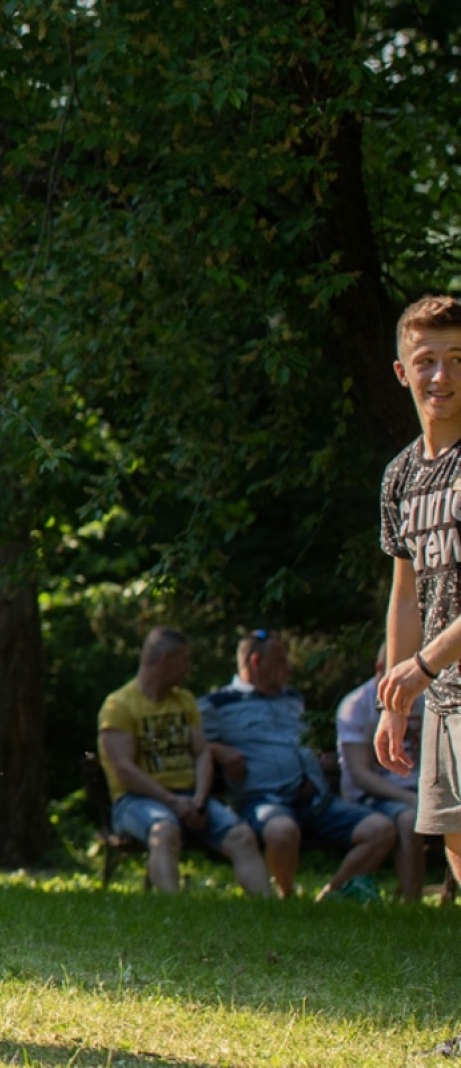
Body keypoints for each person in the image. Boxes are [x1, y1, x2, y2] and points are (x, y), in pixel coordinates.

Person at [199, 631, 396, 901]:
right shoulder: (217, 705)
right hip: (264, 801)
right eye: (280, 661)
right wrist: (217, 750)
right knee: (282, 831)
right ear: (255, 662)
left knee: (381, 830)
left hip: (317, 800)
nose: (288, 668)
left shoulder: (292, 697)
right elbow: (193, 747)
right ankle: (286, 895)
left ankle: (330, 895)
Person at [377, 294, 461, 906]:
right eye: (427, 360)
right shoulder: (400, 475)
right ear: (403, 372)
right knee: (456, 842)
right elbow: (405, 596)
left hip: (437, 671)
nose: (442, 375)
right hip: (442, 695)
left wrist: (423, 665)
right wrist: (395, 702)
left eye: (458, 359)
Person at [97, 627, 271, 895]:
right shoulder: (118, 705)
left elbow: (201, 752)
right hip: (135, 801)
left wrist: (199, 799)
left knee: (242, 836)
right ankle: (174, 908)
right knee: (164, 831)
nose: (188, 668)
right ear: (165, 660)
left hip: (190, 798)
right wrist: (172, 802)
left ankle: (267, 906)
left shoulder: (185, 700)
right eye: (184, 660)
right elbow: (123, 770)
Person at [336, 645, 425, 903]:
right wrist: (412, 799)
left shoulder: (424, 698)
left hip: (419, 789)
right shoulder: (356, 705)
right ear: (380, 668)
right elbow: (361, 775)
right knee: (410, 819)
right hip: (373, 796)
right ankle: (412, 903)